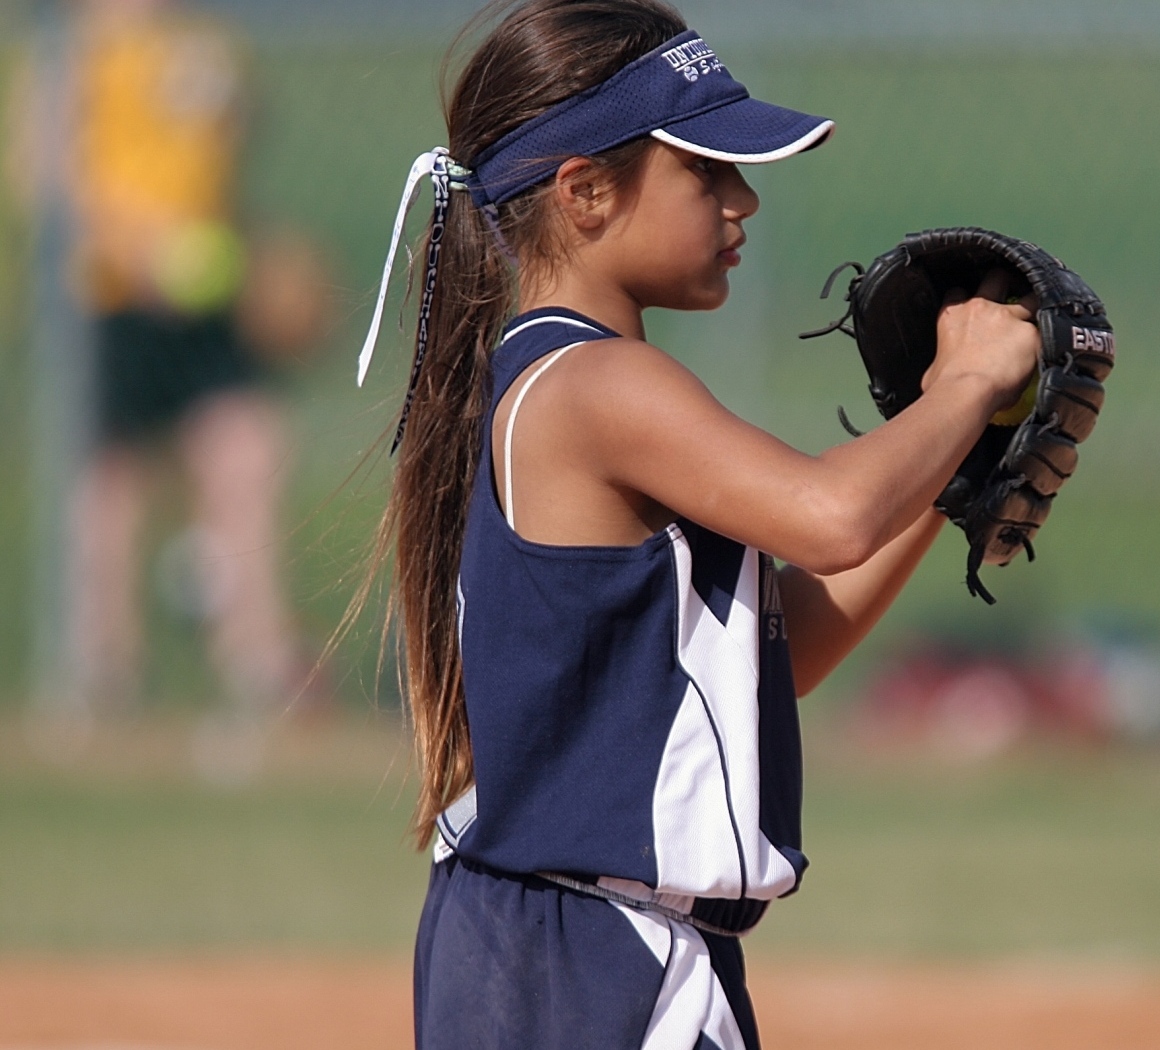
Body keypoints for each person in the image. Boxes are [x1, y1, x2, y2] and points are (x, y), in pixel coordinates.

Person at [356, 2, 1039, 1046]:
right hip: (581, 961)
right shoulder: (594, 384)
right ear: (585, 192)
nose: (743, 199)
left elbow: (785, 645)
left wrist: (954, 460)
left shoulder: (583, 380)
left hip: (607, 950)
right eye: (706, 171)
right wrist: (964, 383)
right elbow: (832, 514)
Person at [18, 0, 304, 748]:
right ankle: (100, 676)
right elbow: (43, 178)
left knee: (246, 453)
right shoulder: (70, 55)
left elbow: (227, 162)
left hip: (201, 302)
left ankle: (260, 666)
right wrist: (143, 247)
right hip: (106, 305)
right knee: (108, 492)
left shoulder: (202, 48)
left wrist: (246, 251)